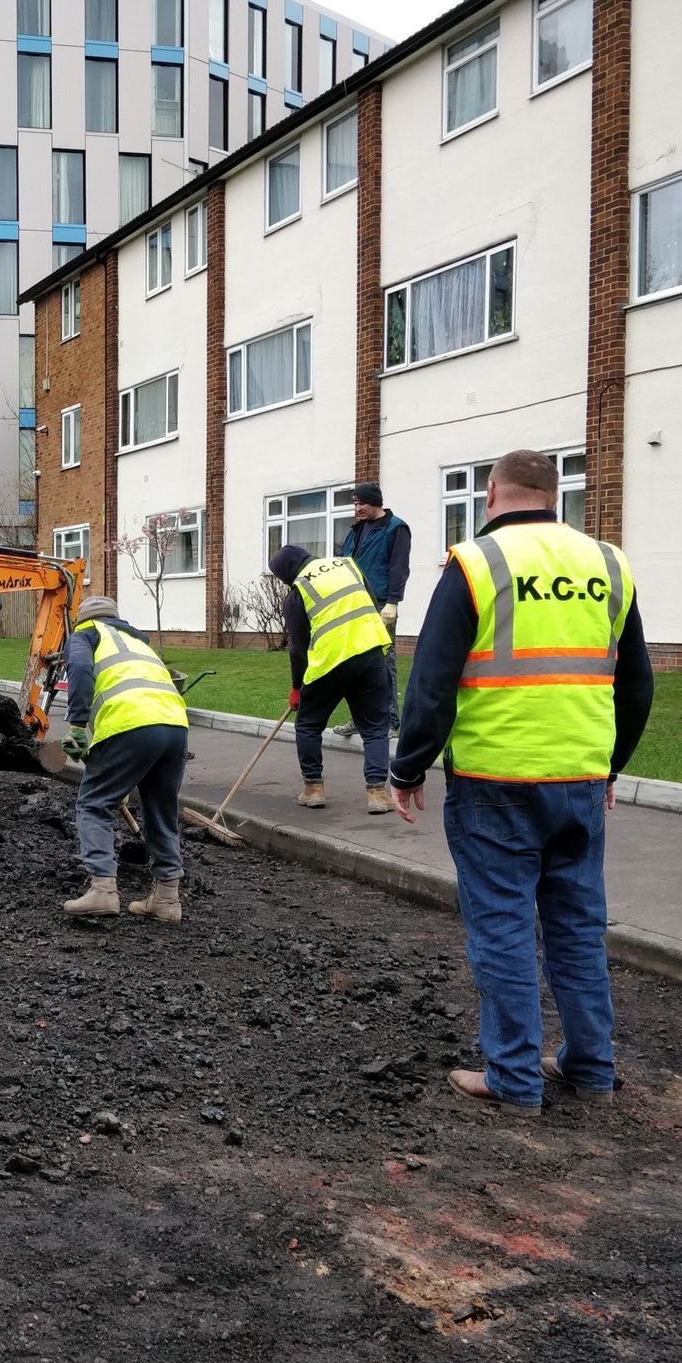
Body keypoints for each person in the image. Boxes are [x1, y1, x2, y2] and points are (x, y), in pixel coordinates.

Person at [389, 449, 654, 1116]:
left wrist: (407, 766)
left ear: (491, 495)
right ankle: (591, 1068)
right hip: (580, 782)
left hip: (496, 780)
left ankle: (512, 1077)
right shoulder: (608, 564)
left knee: (504, 928)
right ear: (554, 494)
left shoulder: (477, 563)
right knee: (576, 927)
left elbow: (433, 680)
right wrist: (611, 766)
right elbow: (638, 684)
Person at [58, 595, 190, 922]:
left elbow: (79, 669)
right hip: (175, 725)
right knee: (160, 809)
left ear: (83, 620)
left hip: (129, 723)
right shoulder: (137, 641)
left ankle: (103, 890)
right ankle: (167, 899)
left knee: (93, 803)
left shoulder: (85, 635)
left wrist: (76, 726)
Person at [269, 544, 395, 815]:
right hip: (370, 655)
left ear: (287, 574)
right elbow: (372, 606)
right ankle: (377, 793)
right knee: (374, 727)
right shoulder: (348, 566)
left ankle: (314, 790)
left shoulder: (298, 592)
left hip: (331, 663)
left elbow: (299, 649)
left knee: (308, 725)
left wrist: (296, 687)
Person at [336, 483, 411, 737]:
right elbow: (343, 560)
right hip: (354, 602)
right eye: (355, 504)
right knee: (354, 663)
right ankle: (359, 718)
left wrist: (393, 602)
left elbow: (399, 568)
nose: (357, 509)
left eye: (361, 504)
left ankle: (390, 721)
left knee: (383, 662)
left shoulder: (395, 528)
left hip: (380, 605)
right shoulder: (357, 529)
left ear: (375, 503)